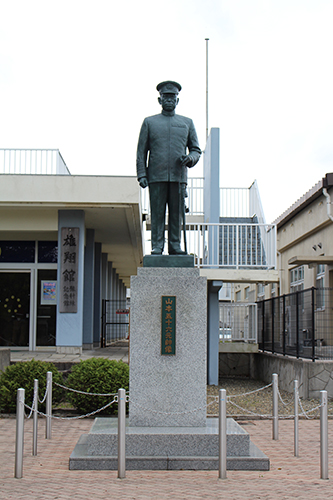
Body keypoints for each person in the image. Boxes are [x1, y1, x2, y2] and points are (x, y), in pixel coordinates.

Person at [136, 81, 201, 255]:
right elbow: (141, 151)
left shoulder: (187, 122)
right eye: (166, 97)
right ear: (160, 100)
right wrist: (142, 174)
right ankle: (157, 245)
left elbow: (196, 149)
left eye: (173, 97)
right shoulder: (149, 122)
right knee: (157, 214)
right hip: (156, 175)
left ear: (177, 101)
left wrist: (190, 159)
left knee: (176, 214)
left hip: (179, 175)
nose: (169, 100)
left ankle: (175, 245)